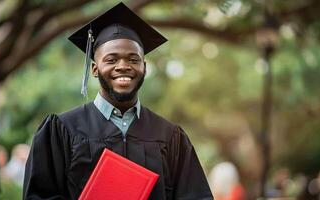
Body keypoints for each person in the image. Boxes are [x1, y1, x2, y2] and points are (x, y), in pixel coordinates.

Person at [23, 2, 213, 200]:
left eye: (133, 59)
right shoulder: (62, 130)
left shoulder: (170, 136)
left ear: (144, 67)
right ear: (95, 69)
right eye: (111, 60)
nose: (123, 66)